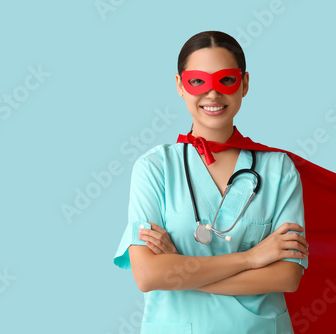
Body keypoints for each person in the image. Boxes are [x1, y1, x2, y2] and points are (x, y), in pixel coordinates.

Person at [113, 31, 309, 333]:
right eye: (197, 82)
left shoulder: (279, 170)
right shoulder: (154, 168)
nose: (213, 95)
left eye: (226, 81)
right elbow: (148, 275)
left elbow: (286, 276)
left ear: (244, 84)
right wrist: (252, 257)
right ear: (180, 85)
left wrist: (180, 270)